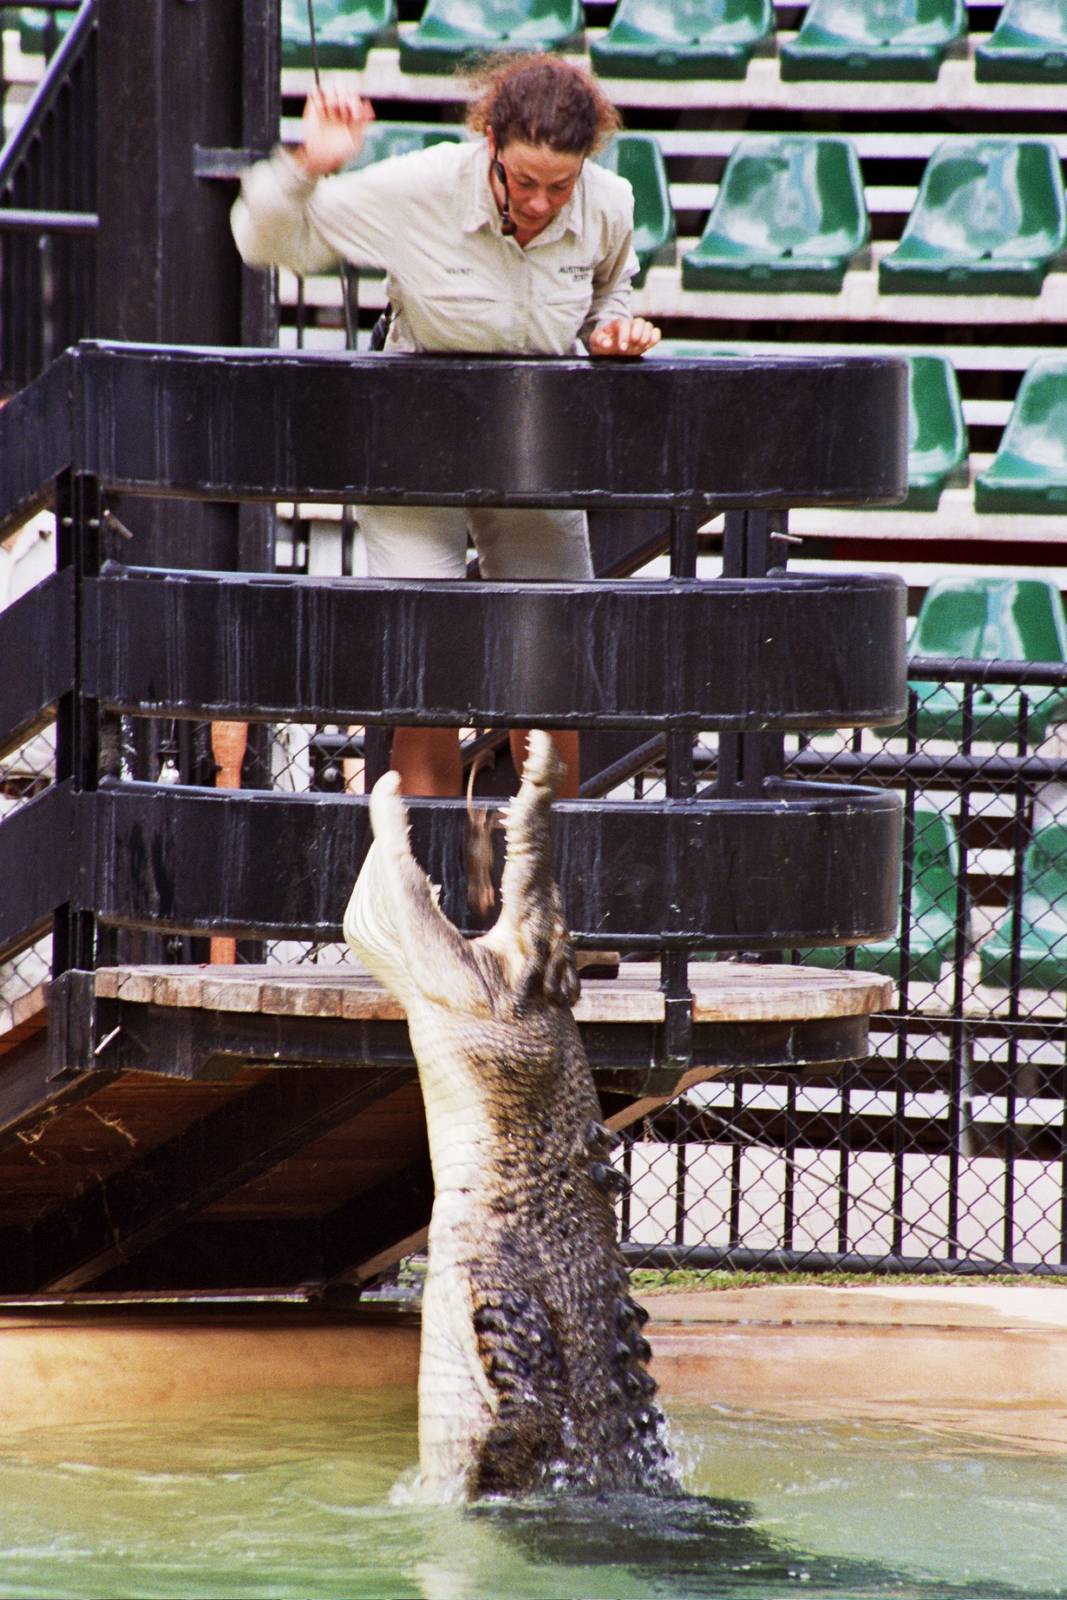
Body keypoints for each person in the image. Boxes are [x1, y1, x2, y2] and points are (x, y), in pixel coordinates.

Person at [232, 53, 660, 797]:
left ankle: (542, 897)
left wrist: (612, 330)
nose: (538, 203)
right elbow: (270, 241)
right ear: (488, 142)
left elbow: (608, 291)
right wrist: (309, 165)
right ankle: (417, 893)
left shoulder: (610, 203)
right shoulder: (421, 186)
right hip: (412, 443)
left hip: (532, 447)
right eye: (522, 182)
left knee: (550, 666)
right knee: (420, 666)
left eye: (557, 187)